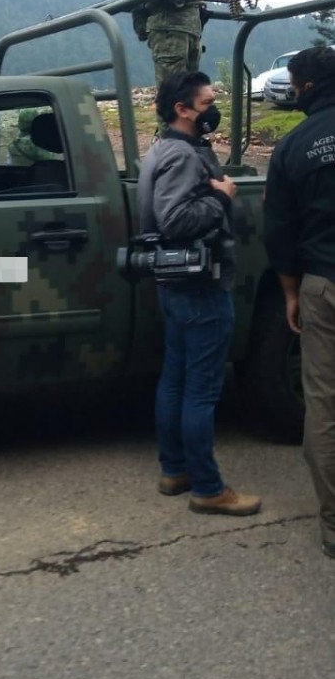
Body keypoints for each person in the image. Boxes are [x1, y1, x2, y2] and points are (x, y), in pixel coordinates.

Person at [137, 69, 261, 516]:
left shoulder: (164, 148)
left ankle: (175, 470)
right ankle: (208, 487)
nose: (214, 110)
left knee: (176, 377)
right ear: (182, 110)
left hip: (176, 286)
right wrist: (223, 196)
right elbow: (174, 221)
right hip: (200, 286)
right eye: (207, 104)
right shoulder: (184, 156)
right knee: (201, 389)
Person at [263, 46, 335, 559]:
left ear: (304, 87)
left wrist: (290, 293)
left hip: (323, 285)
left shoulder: (292, 147)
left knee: (325, 405)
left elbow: (280, 232)